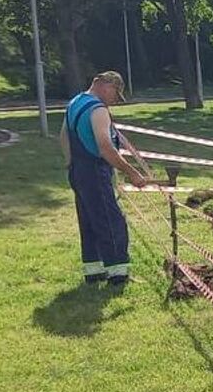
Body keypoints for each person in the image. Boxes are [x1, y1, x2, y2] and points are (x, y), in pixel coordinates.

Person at [59, 71, 148, 286]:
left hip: (78, 170)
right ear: (105, 85)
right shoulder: (98, 110)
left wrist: (71, 163)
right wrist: (132, 172)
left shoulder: (75, 103)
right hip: (95, 170)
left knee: (88, 220)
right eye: (116, 94)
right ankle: (118, 273)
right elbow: (106, 148)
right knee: (111, 221)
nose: (114, 100)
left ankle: (94, 270)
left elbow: (63, 136)